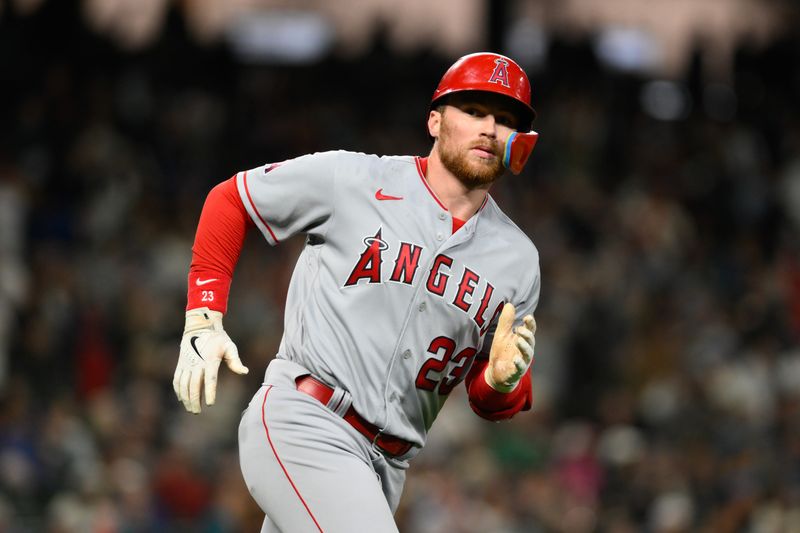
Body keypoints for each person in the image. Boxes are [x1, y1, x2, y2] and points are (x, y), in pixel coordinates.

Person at [173, 52, 541, 532]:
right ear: (435, 120)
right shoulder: (354, 180)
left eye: (504, 119)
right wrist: (204, 315)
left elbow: (487, 396)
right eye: (474, 111)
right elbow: (232, 200)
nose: (489, 128)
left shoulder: (518, 260)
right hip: (306, 420)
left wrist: (501, 382)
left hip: (385, 469)